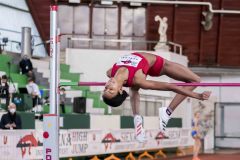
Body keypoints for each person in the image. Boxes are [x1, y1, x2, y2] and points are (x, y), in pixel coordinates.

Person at [102, 52, 211, 142]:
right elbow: (170, 86)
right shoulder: (138, 80)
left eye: (106, 88)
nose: (108, 86)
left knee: (133, 87)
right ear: (120, 90)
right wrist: (197, 95)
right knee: (195, 80)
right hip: (160, 66)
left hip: (138, 74)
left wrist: (122, 81)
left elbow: (125, 78)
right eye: (111, 90)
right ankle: (167, 112)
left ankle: (137, 119)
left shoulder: (110, 72)